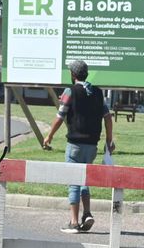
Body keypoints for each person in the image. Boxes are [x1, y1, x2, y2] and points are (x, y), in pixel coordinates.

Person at [41, 58, 114, 233]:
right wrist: (109, 141)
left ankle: (73, 222)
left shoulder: (70, 91)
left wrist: (49, 136)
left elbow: (60, 116)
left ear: (73, 74)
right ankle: (87, 213)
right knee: (85, 179)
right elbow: (107, 117)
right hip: (92, 145)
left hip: (75, 144)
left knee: (73, 180)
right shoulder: (97, 92)